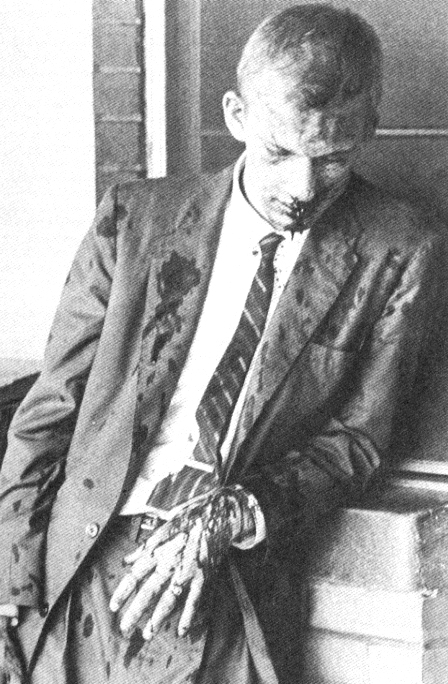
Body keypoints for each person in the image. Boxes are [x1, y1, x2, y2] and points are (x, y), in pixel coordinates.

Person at [0, 4, 443, 683]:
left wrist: (236, 511)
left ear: (368, 130)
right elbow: (51, 409)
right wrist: (9, 583)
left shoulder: (398, 248)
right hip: (80, 556)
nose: (302, 188)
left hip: (229, 569)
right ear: (236, 115)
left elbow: (358, 440)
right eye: (279, 153)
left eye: (333, 160)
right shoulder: (134, 221)